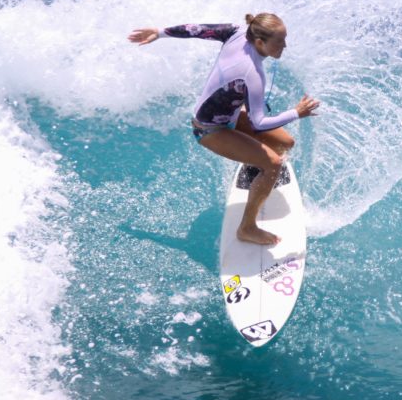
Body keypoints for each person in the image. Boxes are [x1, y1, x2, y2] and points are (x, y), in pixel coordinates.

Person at [128, 13, 320, 246]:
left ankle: (253, 168)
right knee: (274, 165)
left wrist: (159, 32)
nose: (285, 46)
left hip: (228, 114)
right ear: (260, 42)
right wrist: (296, 113)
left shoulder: (240, 30)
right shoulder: (253, 73)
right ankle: (247, 228)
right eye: (279, 41)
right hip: (209, 129)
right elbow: (258, 123)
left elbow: (195, 29)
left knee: (284, 144)